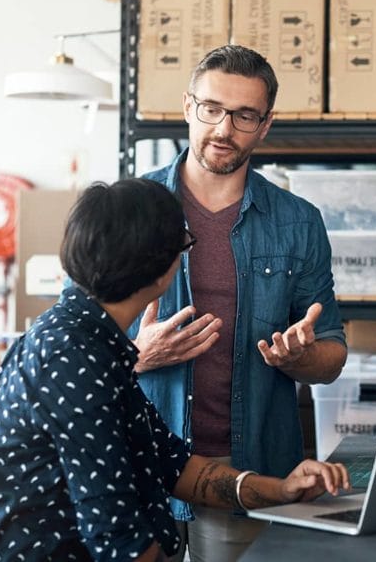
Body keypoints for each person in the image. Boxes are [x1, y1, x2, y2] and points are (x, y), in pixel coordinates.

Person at [0, 179, 349, 562]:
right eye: (185, 246)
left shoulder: (93, 342)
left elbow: (175, 465)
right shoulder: (72, 359)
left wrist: (283, 489)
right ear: (160, 270)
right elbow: (118, 538)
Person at [128, 45, 348, 561]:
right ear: (188, 107)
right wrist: (139, 354)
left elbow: (332, 357)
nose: (224, 129)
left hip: (250, 469)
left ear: (265, 125)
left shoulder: (298, 221)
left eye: (244, 115)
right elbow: (71, 347)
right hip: (138, 458)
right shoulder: (129, 209)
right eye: (211, 109)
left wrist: (301, 358)